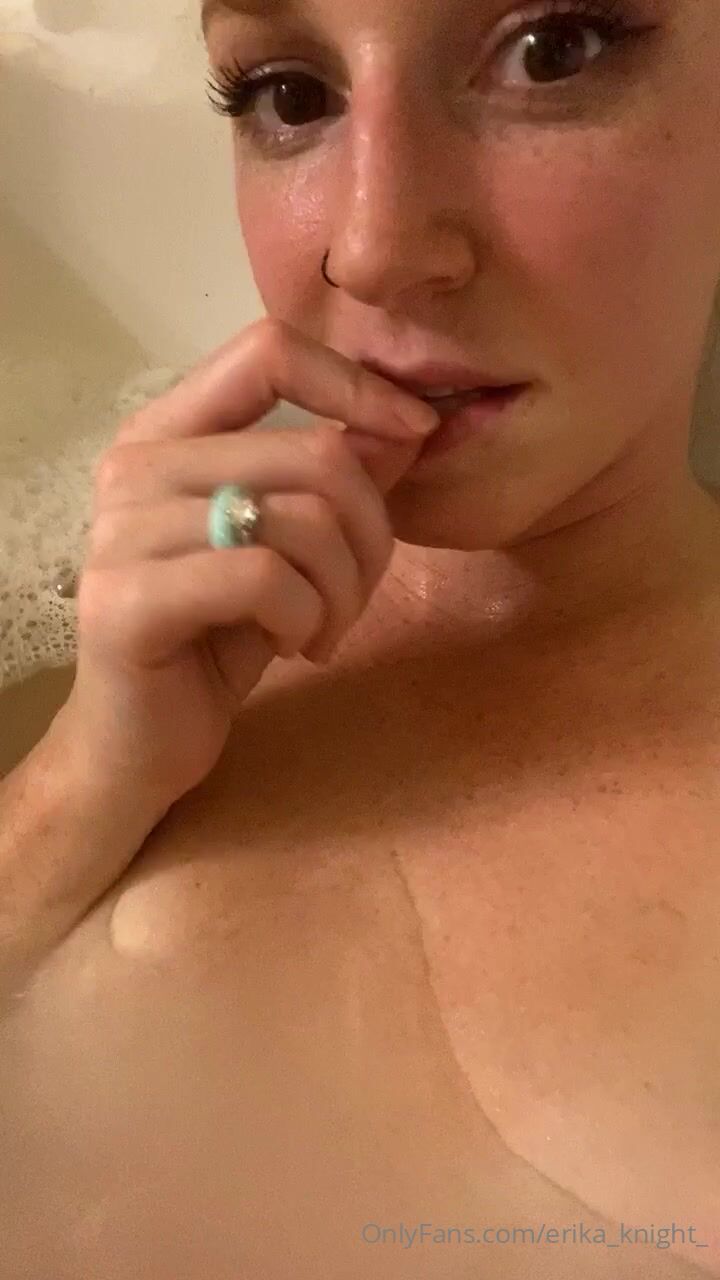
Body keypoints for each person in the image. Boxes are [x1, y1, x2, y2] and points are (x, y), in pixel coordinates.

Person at [1, 0, 720, 1274]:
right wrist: (80, 781)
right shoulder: (133, 631)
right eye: (287, 93)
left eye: (552, 52)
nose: (373, 249)